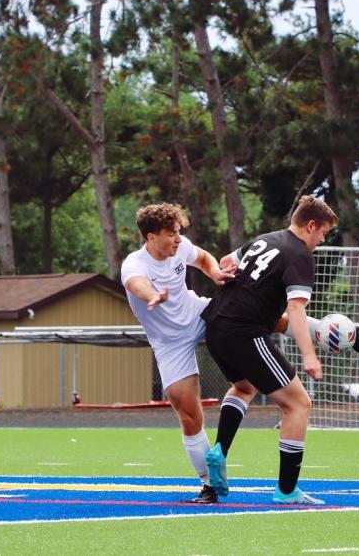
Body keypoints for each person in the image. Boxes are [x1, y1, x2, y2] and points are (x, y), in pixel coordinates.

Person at [202, 195, 359, 505]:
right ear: (311, 225)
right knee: (299, 404)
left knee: (243, 387)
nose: (322, 239)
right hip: (244, 333)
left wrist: (320, 330)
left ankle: (219, 450)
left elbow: (226, 261)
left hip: (215, 326)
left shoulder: (265, 239)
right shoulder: (300, 256)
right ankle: (287, 490)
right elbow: (294, 309)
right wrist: (309, 355)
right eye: (323, 232)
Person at [120, 203, 234, 504]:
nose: (177, 239)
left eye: (179, 233)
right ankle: (211, 486)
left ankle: (320, 332)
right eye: (171, 234)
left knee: (244, 316)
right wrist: (152, 296)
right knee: (189, 417)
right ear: (150, 237)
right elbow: (136, 284)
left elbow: (203, 257)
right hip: (170, 344)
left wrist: (215, 274)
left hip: (197, 314)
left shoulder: (180, 247)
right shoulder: (134, 264)